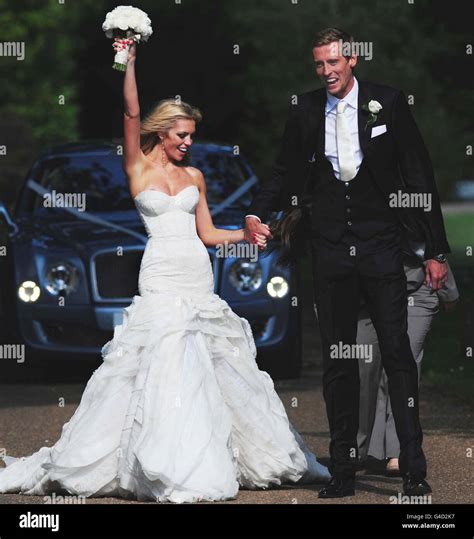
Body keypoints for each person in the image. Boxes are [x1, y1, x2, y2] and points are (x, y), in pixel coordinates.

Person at [0, 40, 330, 503]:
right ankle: (160, 459)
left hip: (196, 272)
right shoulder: (137, 167)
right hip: (159, 273)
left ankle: (216, 450)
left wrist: (250, 234)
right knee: (161, 359)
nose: (188, 143)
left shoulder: (194, 177)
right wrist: (128, 61)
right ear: (162, 132)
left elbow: (210, 233)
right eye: (182, 136)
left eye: (192, 136)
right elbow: (131, 113)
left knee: (207, 363)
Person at [245, 27, 451, 498]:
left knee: (398, 356)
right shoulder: (304, 108)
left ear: (353, 60)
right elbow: (282, 170)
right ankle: (342, 470)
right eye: (319, 65)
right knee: (338, 362)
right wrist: (258, 211)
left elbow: (420, 175)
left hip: (382, 247)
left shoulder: (389, 103)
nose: (326, 72)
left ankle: (414, 470)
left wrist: (437, 251)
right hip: (331, 250)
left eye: (333, 63)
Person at [357, 259, 459, 474]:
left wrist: (449, 289)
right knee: (372, 369)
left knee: (403, 364)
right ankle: (372, 451)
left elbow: (431, 236)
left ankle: (398, 451)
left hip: (418, 290)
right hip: (373, 291)